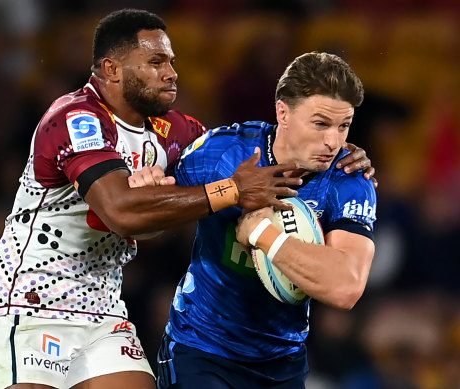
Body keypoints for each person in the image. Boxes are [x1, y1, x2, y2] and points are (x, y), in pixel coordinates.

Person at [0, 8, 375, 389]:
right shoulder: (76, 119)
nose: (171, 74)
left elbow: (219, 162)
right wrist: (232, 191)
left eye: (171, 62)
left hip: (104, 309)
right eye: (156, 63)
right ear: (111, 69)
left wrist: (338, 146)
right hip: (31, 304)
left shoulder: (180, 133)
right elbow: (121, 212)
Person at [155, 51, 377, 389]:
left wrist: (260, 231)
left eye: (343, 126)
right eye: (320, 123)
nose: (333, 141)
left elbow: (346, 287)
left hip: (282, 361)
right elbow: (148, 220)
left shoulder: (350, 180)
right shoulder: (222, 153)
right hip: (201, 349)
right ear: (283, 113)